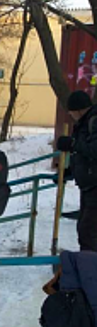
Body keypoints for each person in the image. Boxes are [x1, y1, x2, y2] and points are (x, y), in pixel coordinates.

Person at [56, 90, 97, 252]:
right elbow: (84, 157)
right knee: (85, 229)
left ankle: (90, 270)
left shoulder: (93, 121)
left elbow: (94, 150)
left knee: (88, 231)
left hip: (95, 186)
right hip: (89, 185)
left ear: (78, 109)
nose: (70, 115)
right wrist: (69, 172)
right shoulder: (84, 124)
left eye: (71, 111)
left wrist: (72, 144)